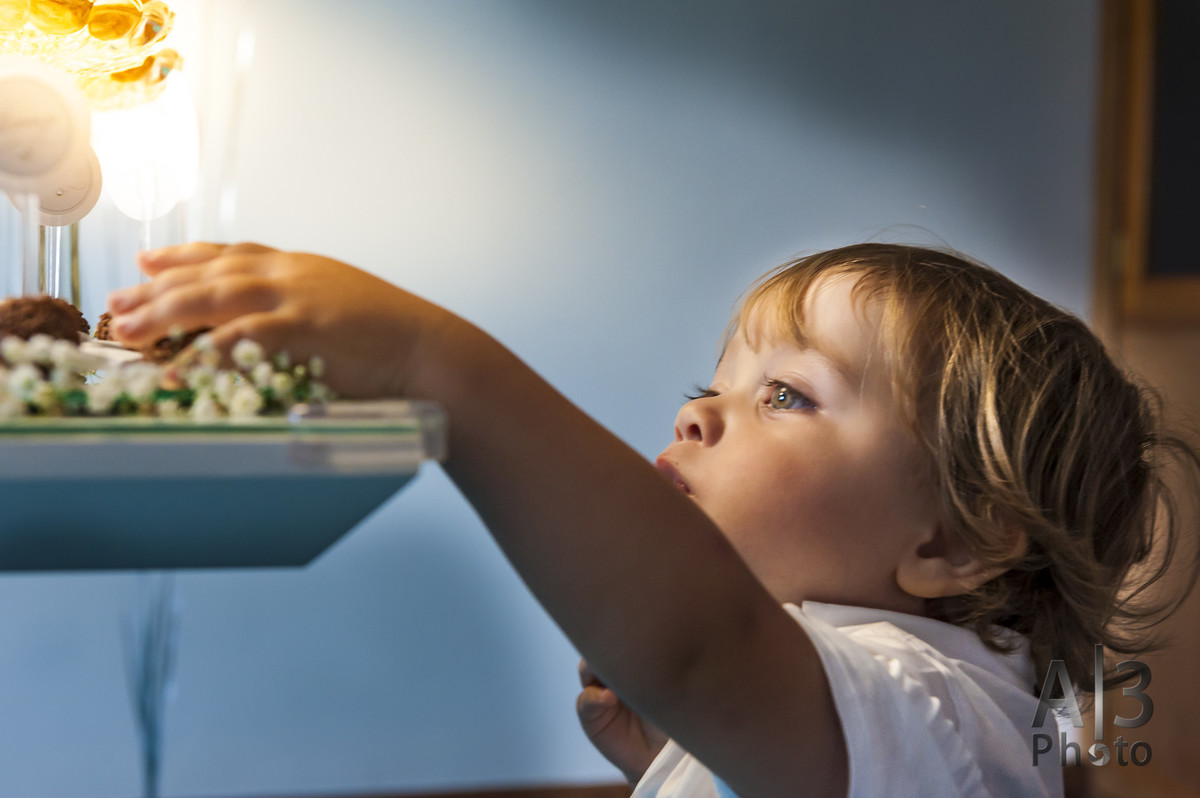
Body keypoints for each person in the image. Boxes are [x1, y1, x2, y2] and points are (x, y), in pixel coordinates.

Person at [106, 241, 1197, 797]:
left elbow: (702, 639)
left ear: (954, 541)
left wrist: (433, 363)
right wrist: (693, 759)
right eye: (712, 384)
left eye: (788, 394)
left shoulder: (945, 706)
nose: (698, 412)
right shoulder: (897, 707)